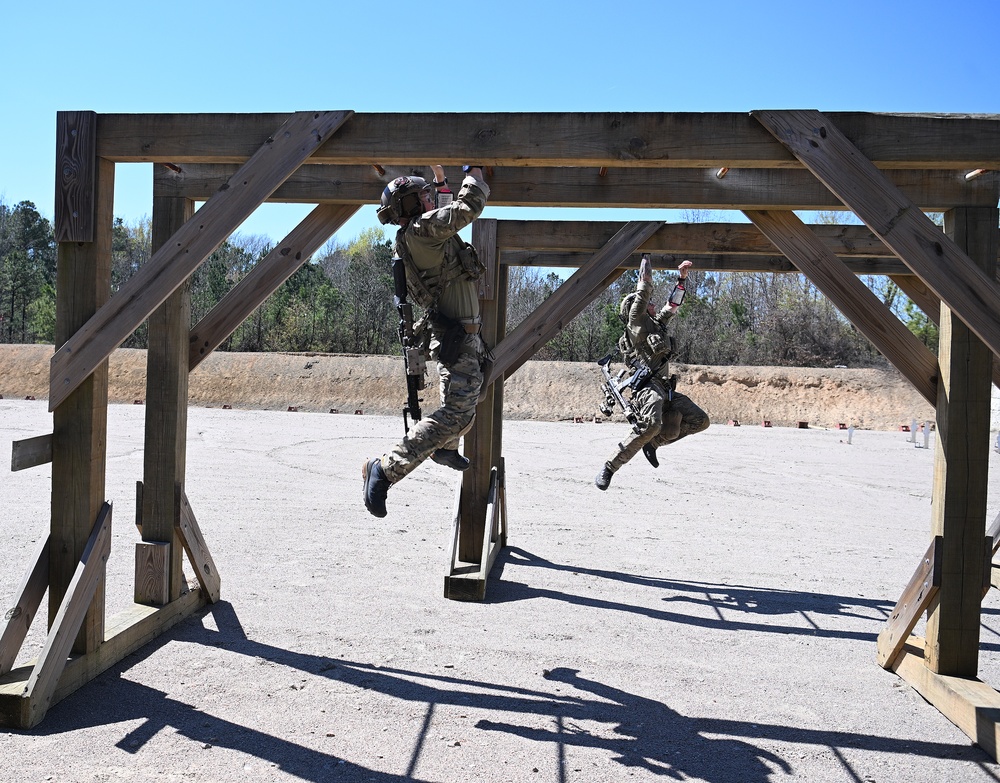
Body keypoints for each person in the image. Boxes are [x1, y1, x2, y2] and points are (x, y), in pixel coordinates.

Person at [363, 165, 490, 518]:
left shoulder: (422, 232)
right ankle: (386, 469)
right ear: (408, 207)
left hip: (464, 337)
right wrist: (474, 174)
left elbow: (445, 214)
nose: (429, 198)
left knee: (466, 402)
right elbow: (466, 210)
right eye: (422, 196)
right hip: (458, 338)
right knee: (458, 412)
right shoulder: (422, 232)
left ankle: (446, 448)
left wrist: (440, 182)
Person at [595, 254, 709, 490]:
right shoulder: (636, 322)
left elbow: (673, 304)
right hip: (647, 388)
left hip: (665, 387)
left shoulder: (656, 324)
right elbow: (644, 287)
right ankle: (610, 467)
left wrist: (682, 278)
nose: (653, 303)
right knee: (651, 424)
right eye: (648, 302)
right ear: (637, 307)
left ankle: (653, 443)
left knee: (701, 421)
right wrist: (646, 254)